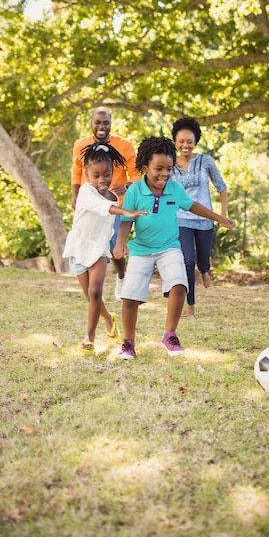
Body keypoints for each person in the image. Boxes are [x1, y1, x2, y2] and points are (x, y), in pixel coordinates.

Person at [113, 136, 235, 360]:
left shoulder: (175, 189)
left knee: (180, 284)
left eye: (169, 169)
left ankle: (169, 335)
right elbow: (126, 221)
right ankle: (128, 343)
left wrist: (219, 218)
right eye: (158, 168)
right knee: (130, 298)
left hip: (169, 247)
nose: (164, 174)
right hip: (141, 249)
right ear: (144, 167)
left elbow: (194, 206)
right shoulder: (135, 192)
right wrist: (121, 242)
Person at [63, 142, 148, 354]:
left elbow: (108, 226)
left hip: (99, 250)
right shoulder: (85, 191)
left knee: (95, 291)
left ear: (113, 172)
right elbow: (101, 208)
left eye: (107, 174)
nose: (103, 180)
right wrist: (125, 211)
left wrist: (114, 246)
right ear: (87, 174)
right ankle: (109, 319)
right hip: (79, 248)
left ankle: (89, 337)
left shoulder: (114, 197)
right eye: (97, 175)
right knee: (92, 297)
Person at [71, 106, 141, 299]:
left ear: (110, 124)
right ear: (92, 123)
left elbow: (136, 174)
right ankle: (93, 289)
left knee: (113, 245)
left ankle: (121, 275)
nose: (102, 126)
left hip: (116, 204)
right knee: (86, 242)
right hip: (90, 204)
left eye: (105, 122)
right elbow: (77, 173)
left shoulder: (124, 145)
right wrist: (75, 196)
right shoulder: (80, 145)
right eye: (98, 122)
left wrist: (126, 187)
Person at [172, 116, 230, 317]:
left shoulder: (205, 161)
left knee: (202, 260)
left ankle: (205, 270)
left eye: (189, 141)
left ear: (195, 141)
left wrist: (222, 215)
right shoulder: (170, 164)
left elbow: (221, 187)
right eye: (181, 141)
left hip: (205, 220)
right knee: (188, 261)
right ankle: (191, 306)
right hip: (181, 219)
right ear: (175, 142)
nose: (185, 145)